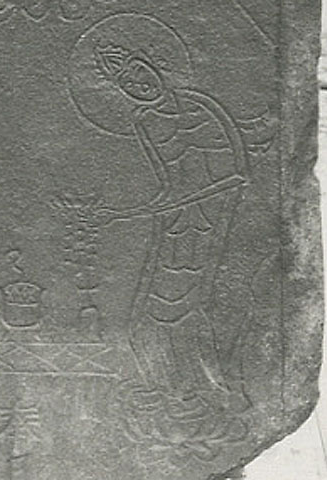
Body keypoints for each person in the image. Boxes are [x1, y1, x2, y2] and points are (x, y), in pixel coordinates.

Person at [96, 45, 249, 393]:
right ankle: (164, 387)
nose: (141, 86)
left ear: (156, 68)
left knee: (186, 305)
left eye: (141, 74)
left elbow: (234, 174)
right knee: (150, 310)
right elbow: (170, 183)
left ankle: (206, 388)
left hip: (211, 218)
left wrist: (154, 209)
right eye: (129, 86)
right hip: (175, 223)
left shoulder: (201, 106)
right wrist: (128, 213)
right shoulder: (145, 121)